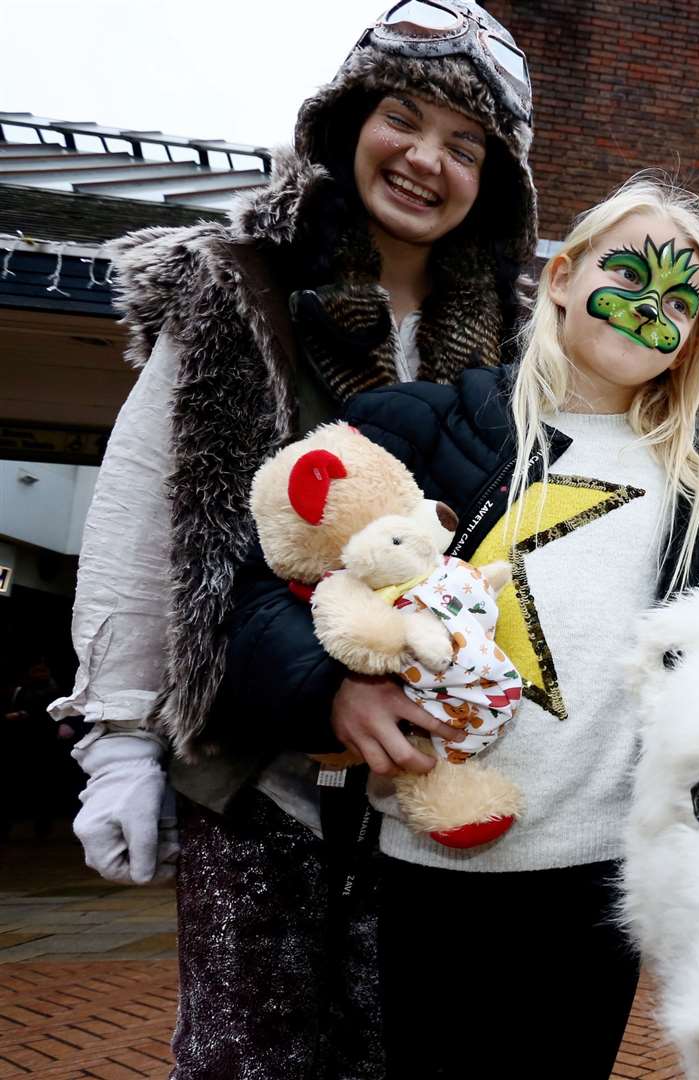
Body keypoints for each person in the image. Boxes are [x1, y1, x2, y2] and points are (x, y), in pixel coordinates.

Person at [218, 175, 699, 1078]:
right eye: (630, 274)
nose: (649, 309)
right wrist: (331, 688)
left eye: (680, 301)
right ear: (565, 276)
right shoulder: (421, 425)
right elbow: (259, 587)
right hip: (424, 869)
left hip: (603, 879)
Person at [49, 4, 538, 1074]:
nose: (425, 160)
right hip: (259, 786)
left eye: (466, 145)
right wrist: (121, 737)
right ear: (348, 117)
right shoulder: (239, 292)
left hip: (430, 803)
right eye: (404, 119)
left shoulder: (522, 345)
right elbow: (143, 515)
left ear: (495, 181)